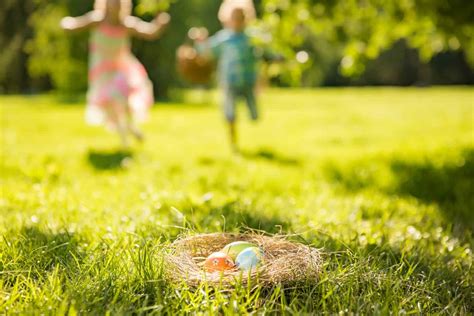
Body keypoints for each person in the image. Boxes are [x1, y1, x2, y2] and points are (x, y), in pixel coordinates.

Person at [60, 0, 170, 147]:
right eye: (112, 2)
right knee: (112, 104)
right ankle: (126, 135)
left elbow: (149, 32)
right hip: (102, 72)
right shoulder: (97, 20)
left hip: (122, 69)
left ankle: (130, 129)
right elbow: (74, 24)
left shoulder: (126, 23)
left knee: (123, 102)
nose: (115, 6)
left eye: (118, 3)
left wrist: (159, 24)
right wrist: (66, 23)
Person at [196, 8, 258, 152]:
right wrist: (201, 41)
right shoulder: (224, 38)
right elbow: (207, 50)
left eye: (240, 18)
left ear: (246, 19)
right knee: (230, 112)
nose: (237, 21)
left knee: (254, 116)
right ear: (228, 20)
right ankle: (233, 141)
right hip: (229, 80)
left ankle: (251, 116)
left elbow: (264, 51)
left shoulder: (251, 38)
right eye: (234, 18)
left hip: (247, 80)